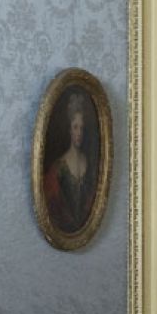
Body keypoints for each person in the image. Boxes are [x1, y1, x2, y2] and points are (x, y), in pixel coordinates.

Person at [42, 93, 98, 234]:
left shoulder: (89, 164)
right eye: (75, 127)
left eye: (81, 128)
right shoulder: (58, 168)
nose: (79, 133)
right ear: (69, 130)